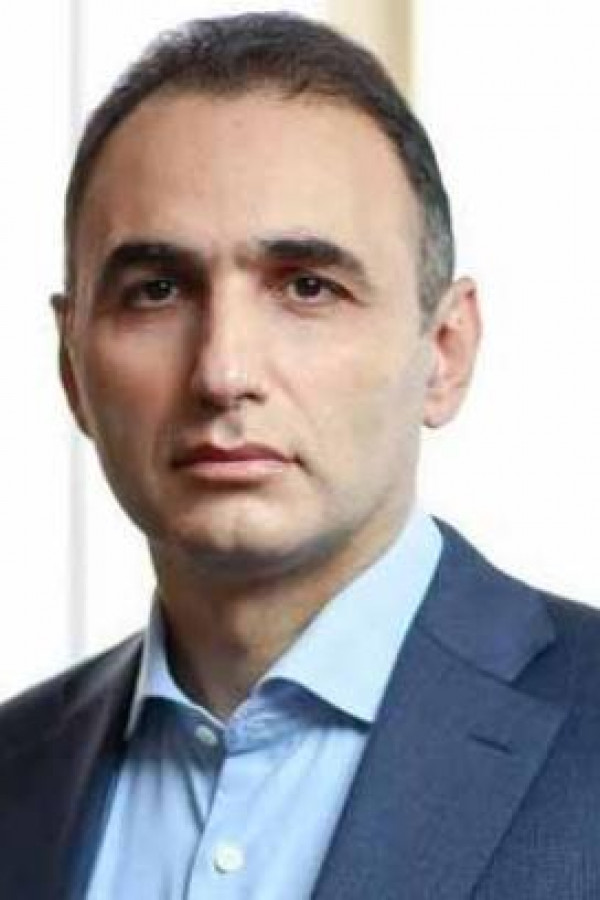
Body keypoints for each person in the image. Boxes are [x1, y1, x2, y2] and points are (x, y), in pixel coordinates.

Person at [1, 11, 599, 899]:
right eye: (157, 290)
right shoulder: (16, 770)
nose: (224, 372)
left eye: (308, 288)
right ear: (71, 367)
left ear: (445, 352)